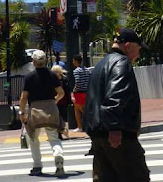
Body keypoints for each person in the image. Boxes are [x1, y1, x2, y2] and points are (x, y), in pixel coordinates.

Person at [84, 28, 150, 182]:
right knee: (137, 177)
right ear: (128, 46)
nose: (139, 54)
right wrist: (114, 127)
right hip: (119, 137)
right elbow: (115, 97)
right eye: (138, 49)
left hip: (98, 134)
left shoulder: (101, 64)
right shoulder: (122, 63)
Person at [19, 50, 66, 178]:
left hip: (35, 111)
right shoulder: (52, 75)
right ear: (45, 61)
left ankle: (37, 165)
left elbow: (24, 97)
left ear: (34, 62)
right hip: (51, 109)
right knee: (54, 137)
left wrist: (22, 112)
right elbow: (61, 93)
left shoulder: (29, 77)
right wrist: (54, 101)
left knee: (33, 138)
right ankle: (58, 155)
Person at [51, 65, 72, 139]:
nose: (54, 73)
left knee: (62, 117)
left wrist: (70, 99)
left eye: (56, 71)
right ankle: (59, 134)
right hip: (55, 101)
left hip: (63, 101)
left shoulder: (64, 80)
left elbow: (67, 90)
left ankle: (62, 131)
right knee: (56, 118)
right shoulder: (51, 80)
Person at [71, 53, 90, 132]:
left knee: (77, 110)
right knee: (86, 109)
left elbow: (78, 82)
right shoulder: (87, 70)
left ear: (76, 61)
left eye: (73, 61)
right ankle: (88, 125)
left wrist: (74, 90)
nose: (72, 62)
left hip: (79, 92)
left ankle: (80, 127)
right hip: (87, 92)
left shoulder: (76, 71)